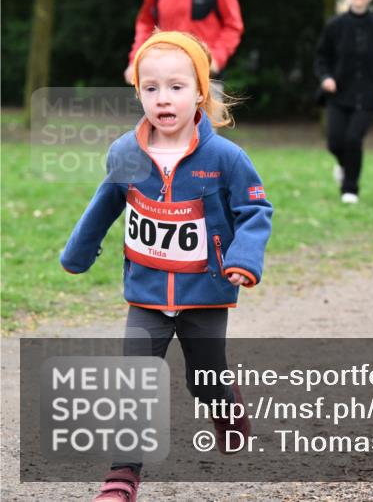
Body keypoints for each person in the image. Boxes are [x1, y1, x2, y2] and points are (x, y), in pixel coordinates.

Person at [61, 31, 272, 502]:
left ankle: (224, 404)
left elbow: (255, 211)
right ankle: (122, 475)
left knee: (205, 379)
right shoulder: (125, 152)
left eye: (176, 87)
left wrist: (242, 259)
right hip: (147, 293)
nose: (163, 98)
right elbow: (105, 202)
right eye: (150, 87)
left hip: (206, 293)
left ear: (200, 91)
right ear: (137, 93)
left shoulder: (225, 158)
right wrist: (78, 253)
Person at [314, 0, 373, 204]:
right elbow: (321, 57)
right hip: (338, 95)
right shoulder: (335, 25)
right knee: (334, 141)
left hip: (368, 96)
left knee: (353, 139)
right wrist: (326, 77)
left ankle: (350, 189)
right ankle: (344, 165)